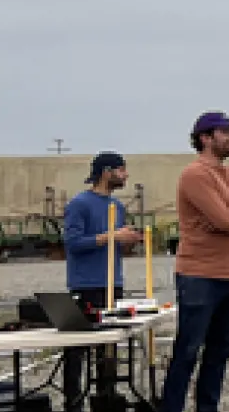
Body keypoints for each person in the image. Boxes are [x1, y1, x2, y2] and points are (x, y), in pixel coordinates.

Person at [160, 111, 229, 412]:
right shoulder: (195, 175)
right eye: (225, 132)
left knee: (220, 350)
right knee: (188, 350)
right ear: (205, 138)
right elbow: (224, 221)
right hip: (199, 276)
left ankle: (207, 407)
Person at [60, 151, 141, 412]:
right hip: (85, 285)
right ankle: (73, 403)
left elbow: (113, 242)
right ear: (106, 172)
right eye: (121, 170)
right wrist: (111, 236)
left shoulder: (117, 207)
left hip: (112, 283)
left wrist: (126, 241)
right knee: (76, 349)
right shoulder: (79, 204)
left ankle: (105, 398)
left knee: (108, 347)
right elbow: (73, 243)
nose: (126, 175)